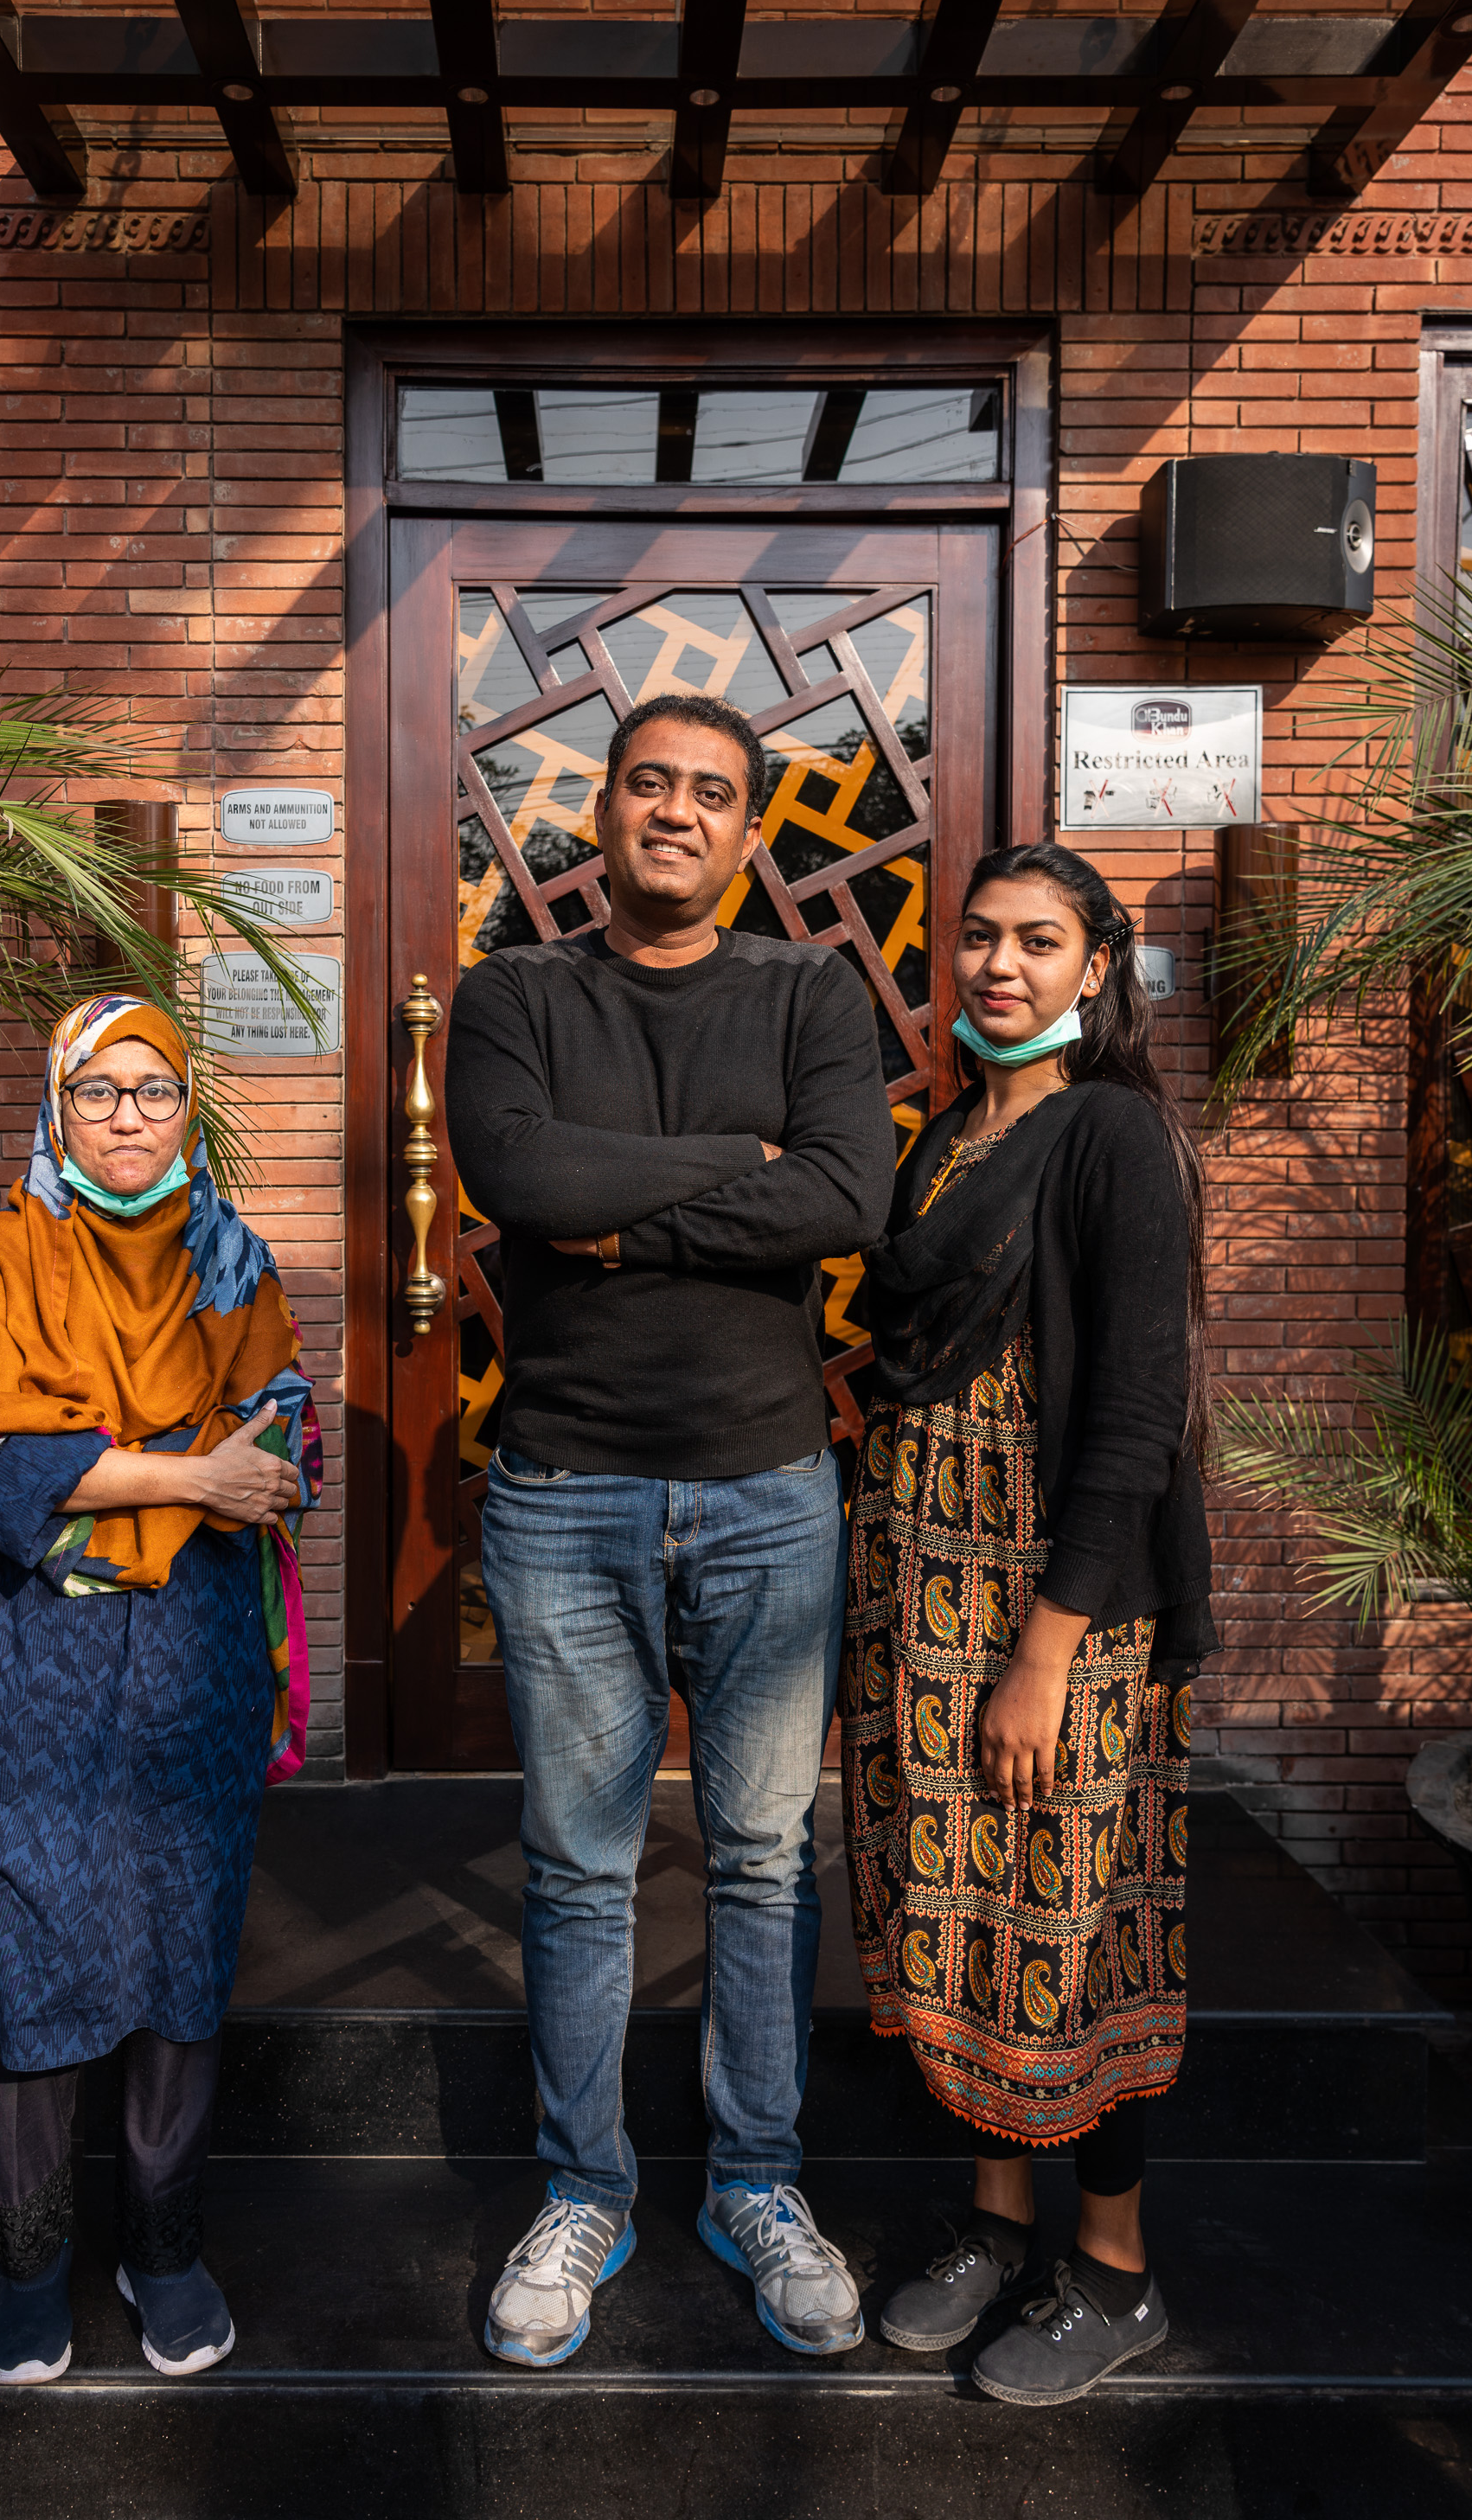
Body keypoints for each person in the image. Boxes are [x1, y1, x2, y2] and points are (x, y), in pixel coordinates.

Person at [446, 691, 897, 2368]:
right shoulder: (511, 991)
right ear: (607, 806)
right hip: (563, 1491)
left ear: (748, 830)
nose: (678, 814)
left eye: (714, 794)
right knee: (577, 1868)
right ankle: (583, 2192)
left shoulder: (806, 988)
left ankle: (756, 2184)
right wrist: (729, 1167)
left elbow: (845, 1196)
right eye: (651, 785)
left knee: (767, 1861)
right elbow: (521, 1184)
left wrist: (619, 1205)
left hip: (769, 1490)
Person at [842, 841, 1213, 2407]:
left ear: (1094, 965)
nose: (999, 965)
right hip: (913, 1592)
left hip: (1056, 1608)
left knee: (1069, 1929)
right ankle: (996, 2226)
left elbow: (1134, 1413)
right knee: (953, 1917)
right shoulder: (935, 1148)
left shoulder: (1112, 1135)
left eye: (1037, 942)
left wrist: (1045, 1648)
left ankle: (1113, 2268)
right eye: (979, 939)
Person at [0, 993, 322, 2389]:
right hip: (28, 1654)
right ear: (59, 1106)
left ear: (186, 1110)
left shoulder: (233, 1257)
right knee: (30, 1944)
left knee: (176, 1941)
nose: (131, 1117)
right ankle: (27, 2264)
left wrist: (201, 1466)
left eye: (155, 1091)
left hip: (192, 1656)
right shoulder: (2, 1249)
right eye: (102, 1092)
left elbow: (283, 1431)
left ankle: (161, 2246)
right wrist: (184, 1474)